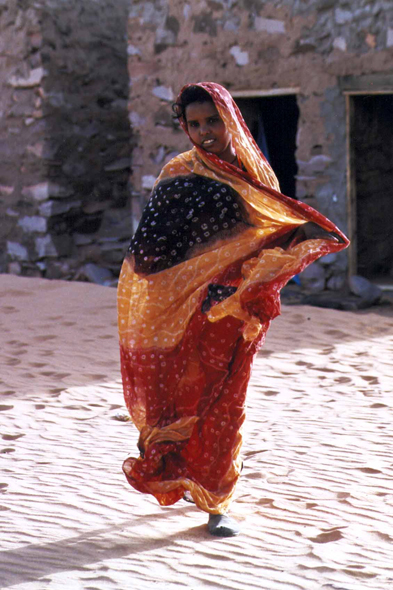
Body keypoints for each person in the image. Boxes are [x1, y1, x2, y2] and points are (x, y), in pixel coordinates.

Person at [117, 82, 349, 537]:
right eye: (195, 124)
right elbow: (147, 252)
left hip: (239, 309)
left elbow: (271, 231)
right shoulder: (179, 174)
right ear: (184, 127)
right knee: (186, 397)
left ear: (231, 119)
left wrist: (299, 237)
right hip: (189, 309)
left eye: (213, 122)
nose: (205, 133)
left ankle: (217, 501)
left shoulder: (256, 174)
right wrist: (193, 276)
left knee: (227, 403)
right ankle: (185, 475)